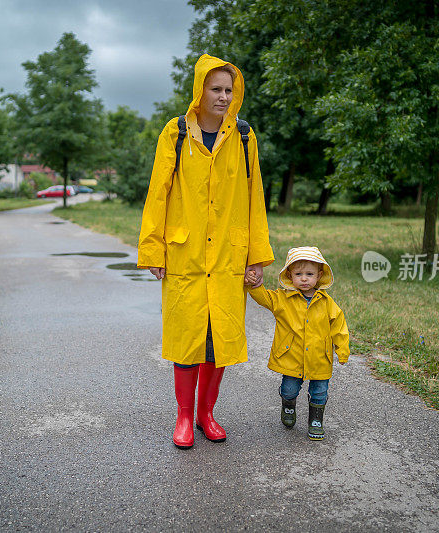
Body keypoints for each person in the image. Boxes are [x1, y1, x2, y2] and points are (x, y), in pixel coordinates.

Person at [137, 54, 274, 449]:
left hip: (229, 256)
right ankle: (183, 416)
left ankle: (206, 413)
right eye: (216, 89)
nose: (224, 96)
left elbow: (255, 198)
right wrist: (153, 249)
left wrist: (256, 258)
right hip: (186, 254)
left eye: (230, 90)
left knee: (219, 340)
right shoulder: (175, 133)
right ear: (200, 91)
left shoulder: (245, 137)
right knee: (187, 338)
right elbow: (157, 192)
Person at [245, 246, 349, 440]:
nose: (304, 279)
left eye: (309, 274)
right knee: (289, 388)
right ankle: (288, 405)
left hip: (320, 358)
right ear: (289, 275)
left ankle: (316, 421)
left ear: (319, 276)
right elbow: (262, 298)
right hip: (291, 356)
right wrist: (254, 285)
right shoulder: (282, 299)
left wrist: (342, 350)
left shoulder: (327, 303)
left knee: (320, 391)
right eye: (298, 274)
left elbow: (339, 327)